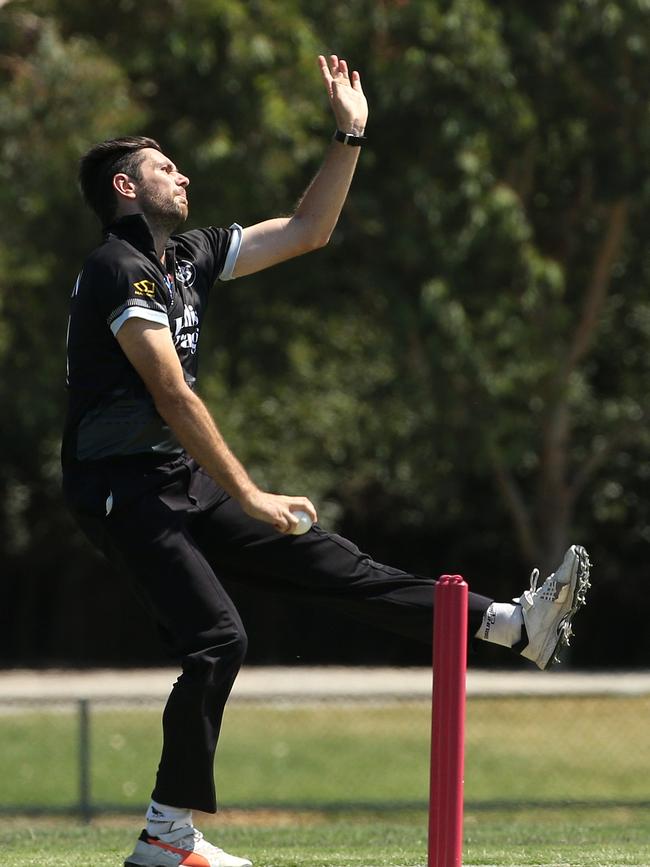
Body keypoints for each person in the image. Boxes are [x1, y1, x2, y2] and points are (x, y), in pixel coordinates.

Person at [62, 56, 591, 867]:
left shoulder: (188, 258)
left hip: (175, 481)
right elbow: (172, 396)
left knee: (334, 562)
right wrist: (251, 493)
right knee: (218, 637)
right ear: (126, 190)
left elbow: (309, 230)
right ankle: (165, 839)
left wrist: (350, 133)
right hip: (119, 491)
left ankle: (511, 625)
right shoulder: (117, 270)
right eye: (165, 168)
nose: (184, 175)